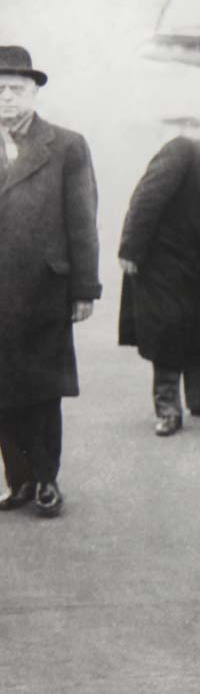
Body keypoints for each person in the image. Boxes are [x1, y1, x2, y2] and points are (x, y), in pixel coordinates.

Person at [0, 46, 100, 517]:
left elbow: (82, 221)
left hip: (43, 290)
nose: (5, 98)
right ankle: (17, 481)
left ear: (35, 92)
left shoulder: (66, 145)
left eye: (15, 89)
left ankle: (45, 480)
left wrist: (85, 289)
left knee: (42, 390)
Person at [118, 107, 200, 437]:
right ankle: (168, 408)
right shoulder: (184, 150)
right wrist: (130, 250)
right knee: (168, 332)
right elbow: (146, 198)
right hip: (164, 261)